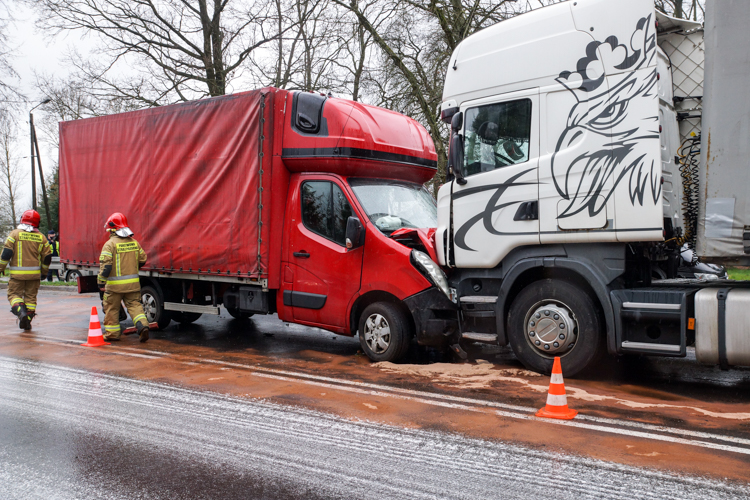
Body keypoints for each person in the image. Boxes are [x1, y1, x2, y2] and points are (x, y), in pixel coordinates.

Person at [98, 212, 149, 342]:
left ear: (113, 229)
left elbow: (106, 266)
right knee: (135, 306)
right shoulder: (134, 242)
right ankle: (143, 326)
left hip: (114, 287)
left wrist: (100, 282)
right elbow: (143, 259)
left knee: (112, 308)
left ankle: (113, 334)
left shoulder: (110, 244)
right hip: (133, 285)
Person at [0, 210, 52, 330]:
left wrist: (0, 268)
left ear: (22, 219)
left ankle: (21, 313)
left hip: (17, 276)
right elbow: (47, 258)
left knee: (13, 295)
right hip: (34, 276)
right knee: (30, 299)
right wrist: (44, 273)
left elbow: (6, 254)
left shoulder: (14, 234)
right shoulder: (42, 238)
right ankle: (27, 321)